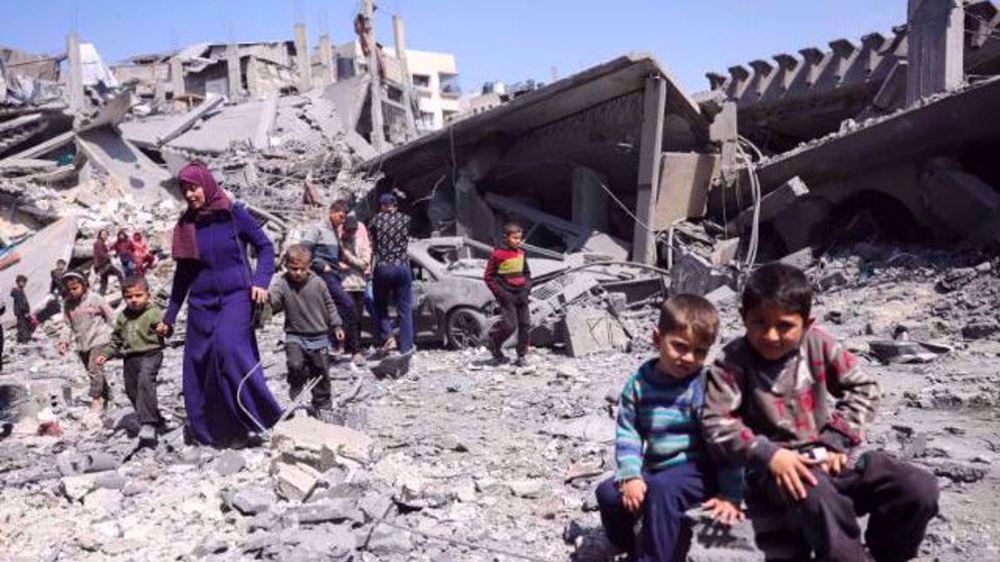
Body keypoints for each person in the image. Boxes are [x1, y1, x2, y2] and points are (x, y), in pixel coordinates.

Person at [702, 263, 939, 561]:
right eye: (759, 323)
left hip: (830, 458)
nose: (771, 335)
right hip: (779, 472)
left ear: (807, 323)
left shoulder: (819, 344)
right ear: (743, 319)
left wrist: (836, 440)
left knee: (917, 487)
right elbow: (717, 421)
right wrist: (769, 455)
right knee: (819, 496)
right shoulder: (732, 360)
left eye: (785, 325)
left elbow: (865, 388)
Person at [595, 295, 743, 561]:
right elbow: (628, 431)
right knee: (607, 493)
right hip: (656, 466)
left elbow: (723, 439)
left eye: (699, 351)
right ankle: (628, 544)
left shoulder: (704, 385)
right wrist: (630, 475)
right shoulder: (639, 384)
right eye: (680, 346)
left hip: (698, 471)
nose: (688, 358)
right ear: (657, 338)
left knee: (664, 489)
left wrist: (731, 491)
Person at [155, 161, 282, 448]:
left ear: (207, 185)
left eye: (194, 187)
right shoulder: (187, 225)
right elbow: (184, 274)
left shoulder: (233, 213)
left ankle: (266, 417)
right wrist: (170, 316)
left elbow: (265, 247)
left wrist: (261, 281)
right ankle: (218, 432)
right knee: (200, 364)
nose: (189, 194)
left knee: (229, 348)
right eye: (184, 189)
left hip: (237, 296)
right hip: (201, 303)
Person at [269, 244, 344, 415]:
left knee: (321, 371)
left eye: (302, 269)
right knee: (295, 364)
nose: (297, 273)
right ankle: (296, 385)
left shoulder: (318, 283)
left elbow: (330, 305)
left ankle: (322, 404)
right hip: (294, 335)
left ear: (309, 267)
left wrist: (337, 325)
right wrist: (265, 302)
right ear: (286, 266)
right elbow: (273, 302)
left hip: (319, 335)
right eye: (293, 268)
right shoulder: (283, 283)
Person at [96, 276, 164, 444]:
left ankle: (148, 423)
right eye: (129, 297)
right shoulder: (122, 317)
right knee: (132, 389)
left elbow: (164, 330)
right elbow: (116, 340)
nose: (133, 300)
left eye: (138, 295)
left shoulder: (153, 312)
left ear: (147, 295)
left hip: (151, 353)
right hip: (131, 357)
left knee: (145, 381)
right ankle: (154, 418)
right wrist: (106, 353)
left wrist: (164, 330)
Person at [299, 199, 361, 359]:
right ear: (332, 212)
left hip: (335, 274)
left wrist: (341, 264)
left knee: (334, 310)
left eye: (344, 218)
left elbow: (336, 255)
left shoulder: (334, 231)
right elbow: (303, 251)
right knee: (348, 305)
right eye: (340, 216)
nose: (342, 221)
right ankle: (352, 349)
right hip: (322, 275)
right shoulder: (318, 229)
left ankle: (337, 346)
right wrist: (320, 265)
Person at [57, 271, 115, 412]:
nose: (72, 292)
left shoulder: (95, 299)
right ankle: (108, 397)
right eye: (69, 289)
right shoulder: (68, 304)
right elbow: (67, 325)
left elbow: (111, 316)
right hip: (82, 343)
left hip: (99, 339)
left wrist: (118, 335)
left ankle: (96, 399)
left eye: (75, 288)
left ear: (84, 285)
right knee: (92, 371)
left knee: (94, 368)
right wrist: (64, 341)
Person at [367, 193, 413, 355]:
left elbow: (372, 243)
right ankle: (407, 347)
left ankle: (388, 336)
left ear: (382, 206)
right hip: (402, 266)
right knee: (405, 308)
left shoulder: (375, 221)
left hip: (383, 267)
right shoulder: (406, 219)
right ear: (395, 205)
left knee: (380, 305)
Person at [484, 221, 532, 366]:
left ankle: (521, 356)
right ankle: (494, 343)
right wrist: (501, 293)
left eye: (520, 238)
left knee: (525, 324)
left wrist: (527, 288)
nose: (519, 241)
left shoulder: (521, 254)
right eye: (515, 238)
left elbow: (527, 273)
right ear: (506, 237)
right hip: (507, 295)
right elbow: (488, 277)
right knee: (510, 325)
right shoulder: (497, 254)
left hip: (521, 294)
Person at [339, 215, 372, 364]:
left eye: (353, 230)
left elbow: (364, 263)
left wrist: (349, 258)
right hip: (344, 284)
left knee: (357, 318)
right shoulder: (339, 244)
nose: (350, 233)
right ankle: (351, 348)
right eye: (348, 230)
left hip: (358, 284)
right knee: (348, 318)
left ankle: (355, 346)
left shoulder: (360, 243)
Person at [93, 230, 124, 296]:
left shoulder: (101, 243)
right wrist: (110, 255)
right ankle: (124, 289)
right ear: (100, 235)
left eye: (106, 234)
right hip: (103, 265)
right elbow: (101, 254)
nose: (105, 236)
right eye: (103, 234)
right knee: (119, 273)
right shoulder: (98, 243)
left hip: (100, 265)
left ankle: (101, 295)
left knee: (104, 282)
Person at [11, 275, 33, 343]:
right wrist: (25, 311)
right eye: (22, 282)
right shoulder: (17, 291)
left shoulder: (20, 290)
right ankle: (25, 339)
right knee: (23, 325)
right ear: (18, 282)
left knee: (22, 324)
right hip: (21, 312)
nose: (23, 284)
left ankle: (21, 338)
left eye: (24, 282)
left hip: (20, 311)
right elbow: (21, 303)